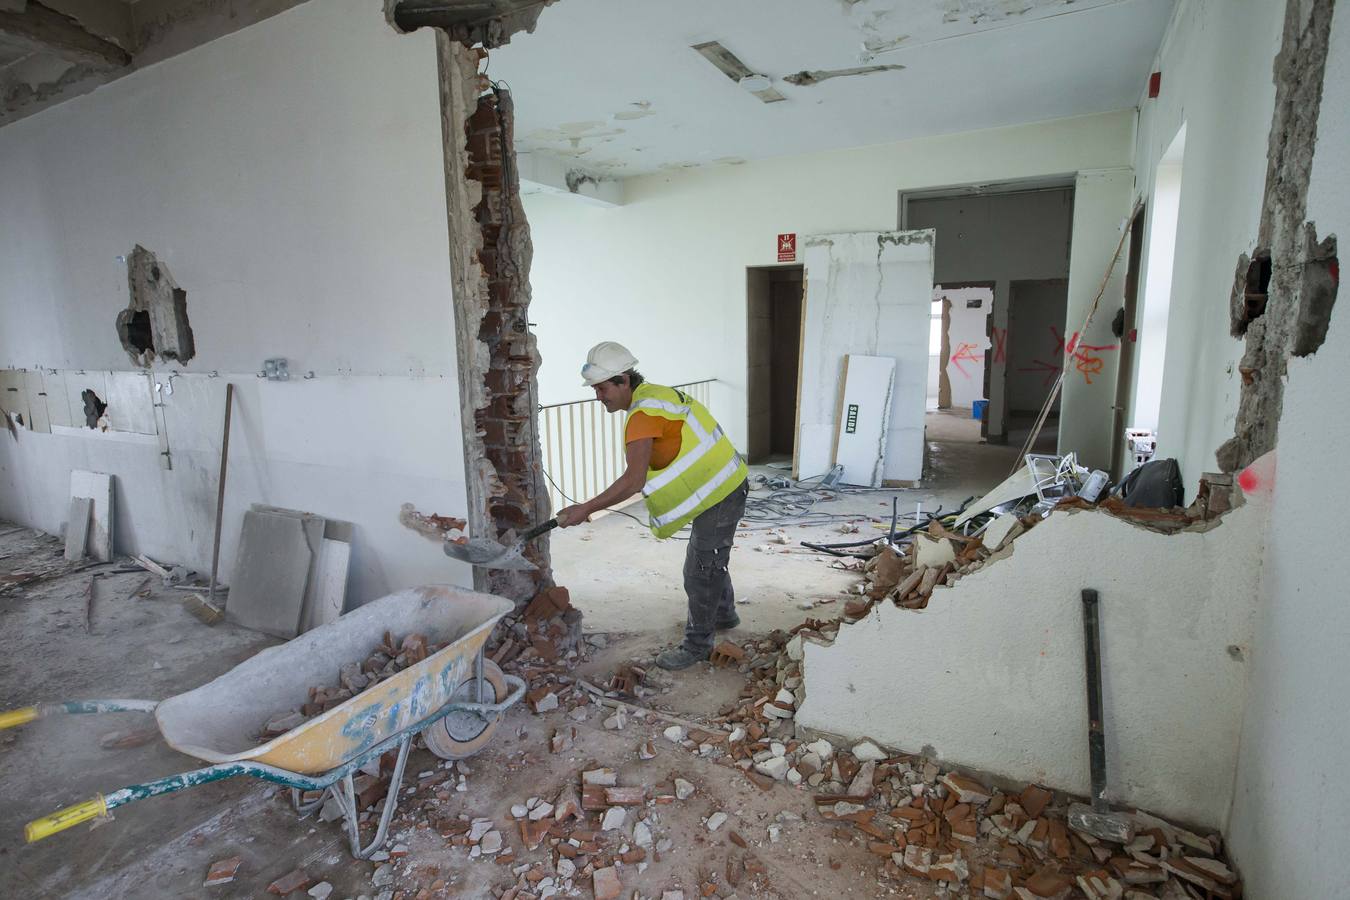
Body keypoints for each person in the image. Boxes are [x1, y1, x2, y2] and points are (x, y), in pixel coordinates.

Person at [555, 341, 749, 670]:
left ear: (623, 381)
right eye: (595, 390)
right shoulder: (655, 395)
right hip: (719, 484)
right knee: (710, 558)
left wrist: (584, 508)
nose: (598, 397)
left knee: (700, 571)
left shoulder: (642, 415)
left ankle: (697, 645)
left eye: (603, 389)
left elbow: (633, 480)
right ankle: (723, 614)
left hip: (720, 491)